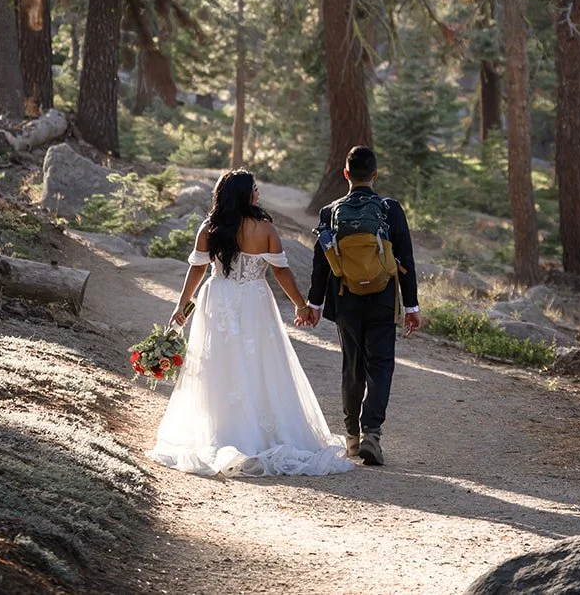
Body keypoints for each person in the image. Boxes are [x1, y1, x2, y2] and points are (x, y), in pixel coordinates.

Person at [149, 169, 354, 478]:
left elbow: (197, 270)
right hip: (255, 301)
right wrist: (301, 304)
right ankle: (256, 432)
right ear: (245, 194)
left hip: (218, 298)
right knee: (260, 363)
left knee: (219, 363)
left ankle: (224, 429)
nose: (258, 192)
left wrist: (183, 306)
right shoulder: (266, 229)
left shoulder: (209, 228)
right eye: (254, 189)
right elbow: (282, 272)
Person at [305, 145, 421, 467]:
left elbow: (321, 263)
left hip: (346, 298)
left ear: (346, 174)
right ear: (375, 175)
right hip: (383, 298)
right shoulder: (390, 209)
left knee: (352, 365)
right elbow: (406, 259)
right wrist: (411, 307)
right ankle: (373, 432)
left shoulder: (330, 212)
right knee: (381, 365)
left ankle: (352, 437)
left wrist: (314, 303)